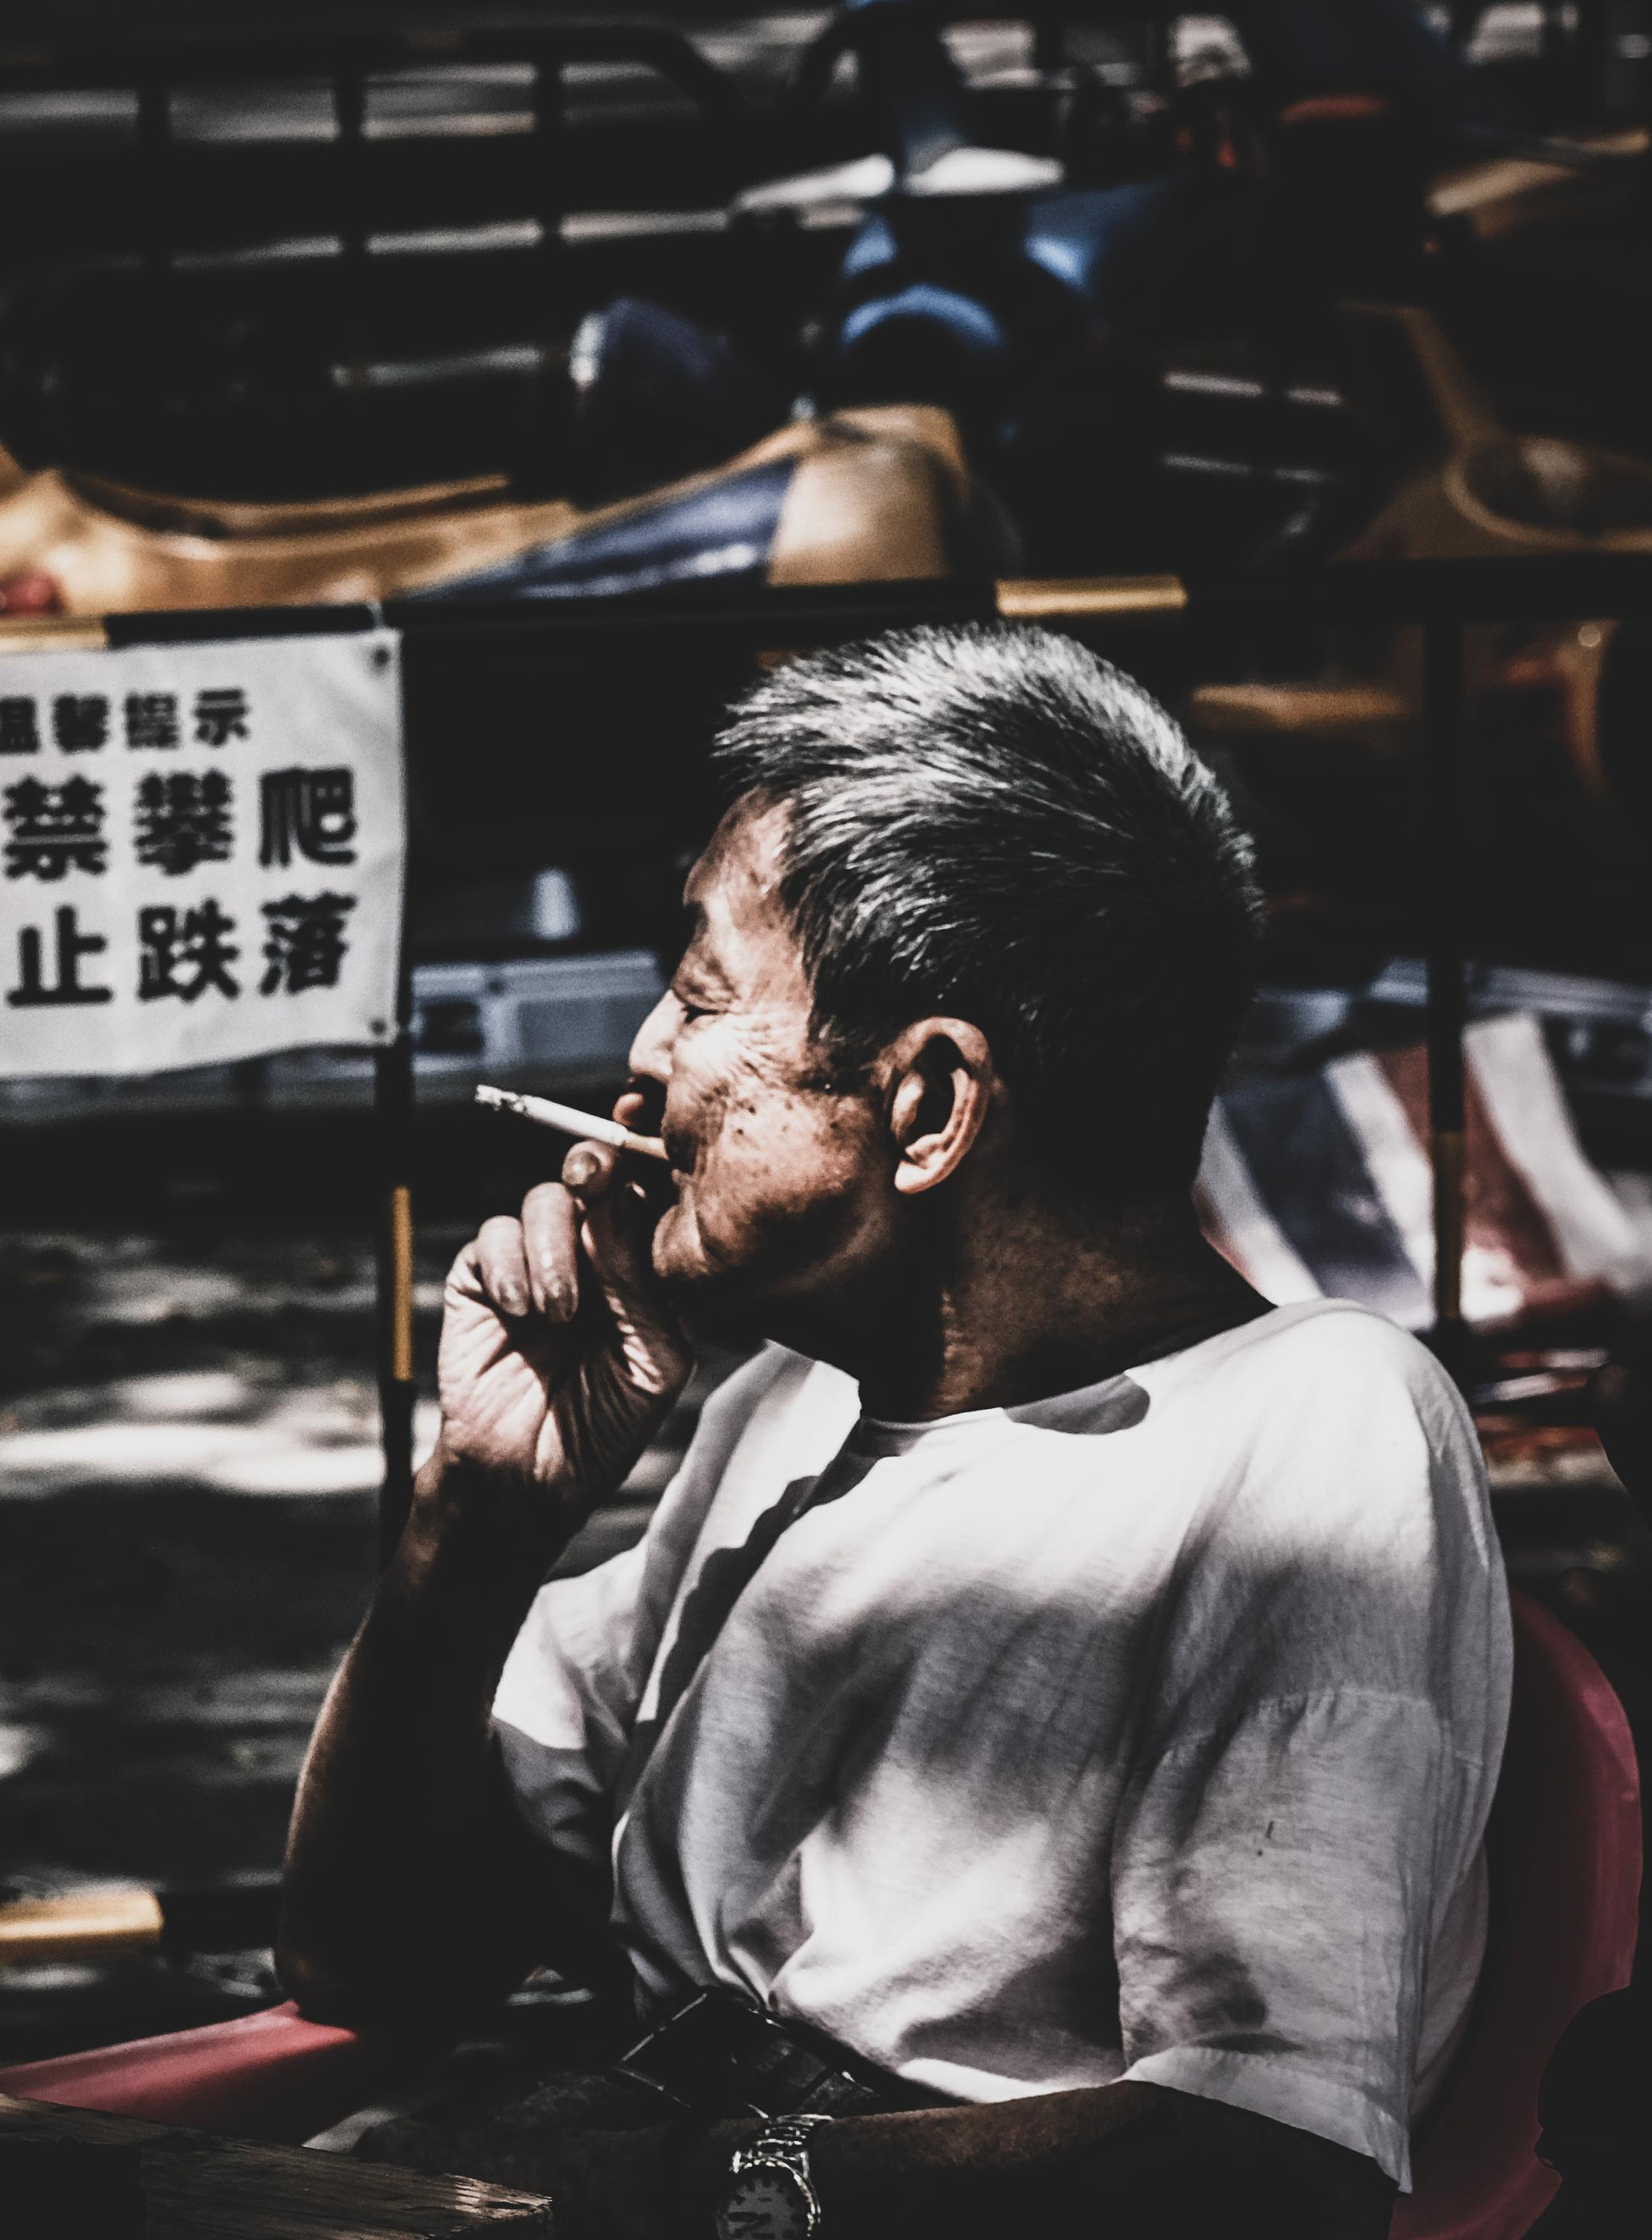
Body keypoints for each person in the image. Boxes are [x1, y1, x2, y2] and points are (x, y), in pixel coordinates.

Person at [278, 627, 1507, 2239]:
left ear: (928, 1103)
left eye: (705, 997)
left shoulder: (1316, 1427)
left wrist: (690, 2189)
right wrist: (479, 1512)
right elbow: (371, 1956)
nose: (645, 1062)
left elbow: (1267, 2162)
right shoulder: (787, 1409)